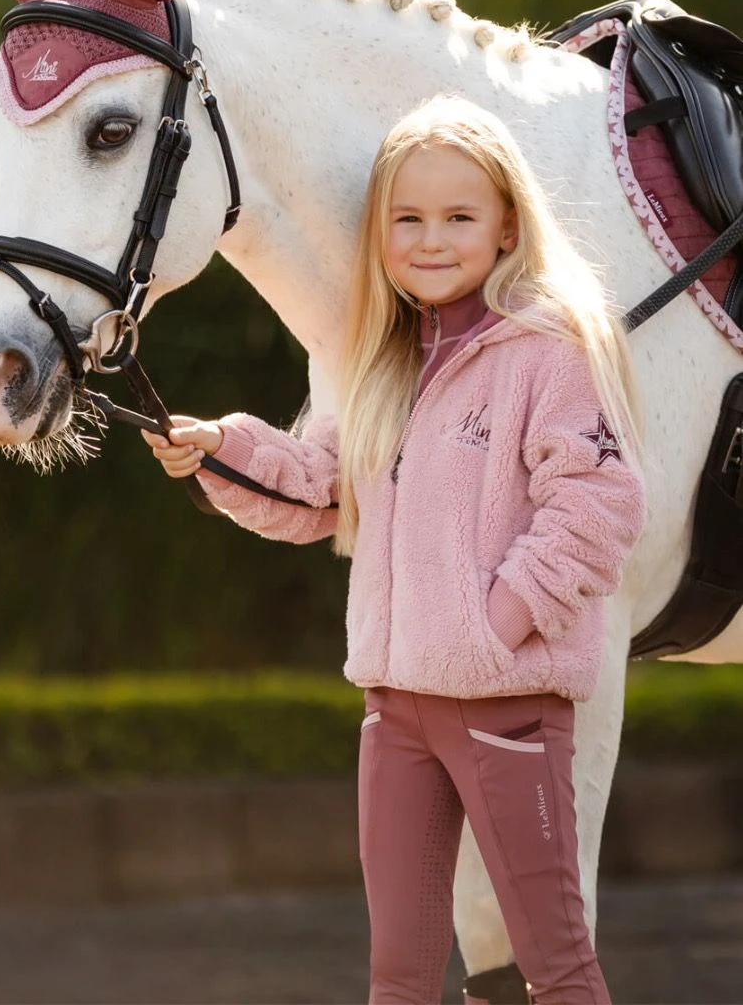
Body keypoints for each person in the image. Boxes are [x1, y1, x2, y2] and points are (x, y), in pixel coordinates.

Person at [141, 97, 646, 1005]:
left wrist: (499, 622)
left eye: (459, 216)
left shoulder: (552, 351)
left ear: (506, 227)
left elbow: (600, 504)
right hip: (396, 708)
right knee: (399, 977)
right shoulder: (384, 364)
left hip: (507, 705)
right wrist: (220, 447)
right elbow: (317, 489)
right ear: (379, 234)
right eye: (407, 219)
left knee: (556, 967)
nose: (431, 238)